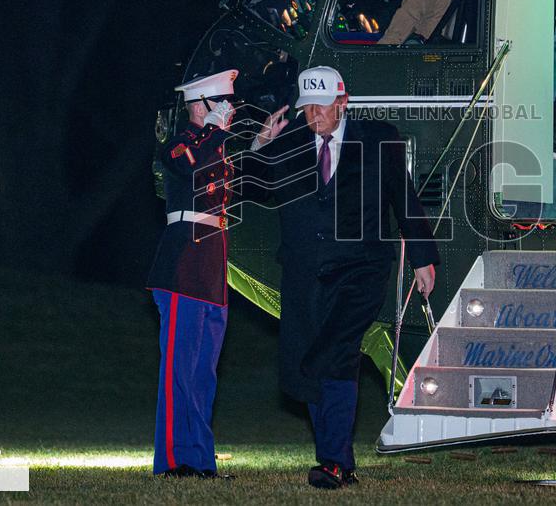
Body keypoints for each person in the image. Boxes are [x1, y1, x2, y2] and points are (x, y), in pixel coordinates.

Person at [247, 66, 439, 489]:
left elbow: (403, 200)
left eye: (322, 105)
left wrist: (423, 258)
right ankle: (336, 459)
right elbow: (252, 185)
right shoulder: (289, 143)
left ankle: (334, 460)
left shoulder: (378, 139)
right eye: (307, 106)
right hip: (305, 271)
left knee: (336, 352)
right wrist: (261, 143)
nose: (314, 115)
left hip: (360, 270)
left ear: (342, 101)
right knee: (309, 362)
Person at [146, 69, 238, 480]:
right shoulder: (179, 144)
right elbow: (191, 168)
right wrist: (217, 133)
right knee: (178, 370)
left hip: (212, 268)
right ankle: (170, 460)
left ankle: (200, 460)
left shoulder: (218, 146)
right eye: (221, 103)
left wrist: (260, 143)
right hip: (182, 265)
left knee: (203, 372)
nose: (228, 110)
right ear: (199, 105)